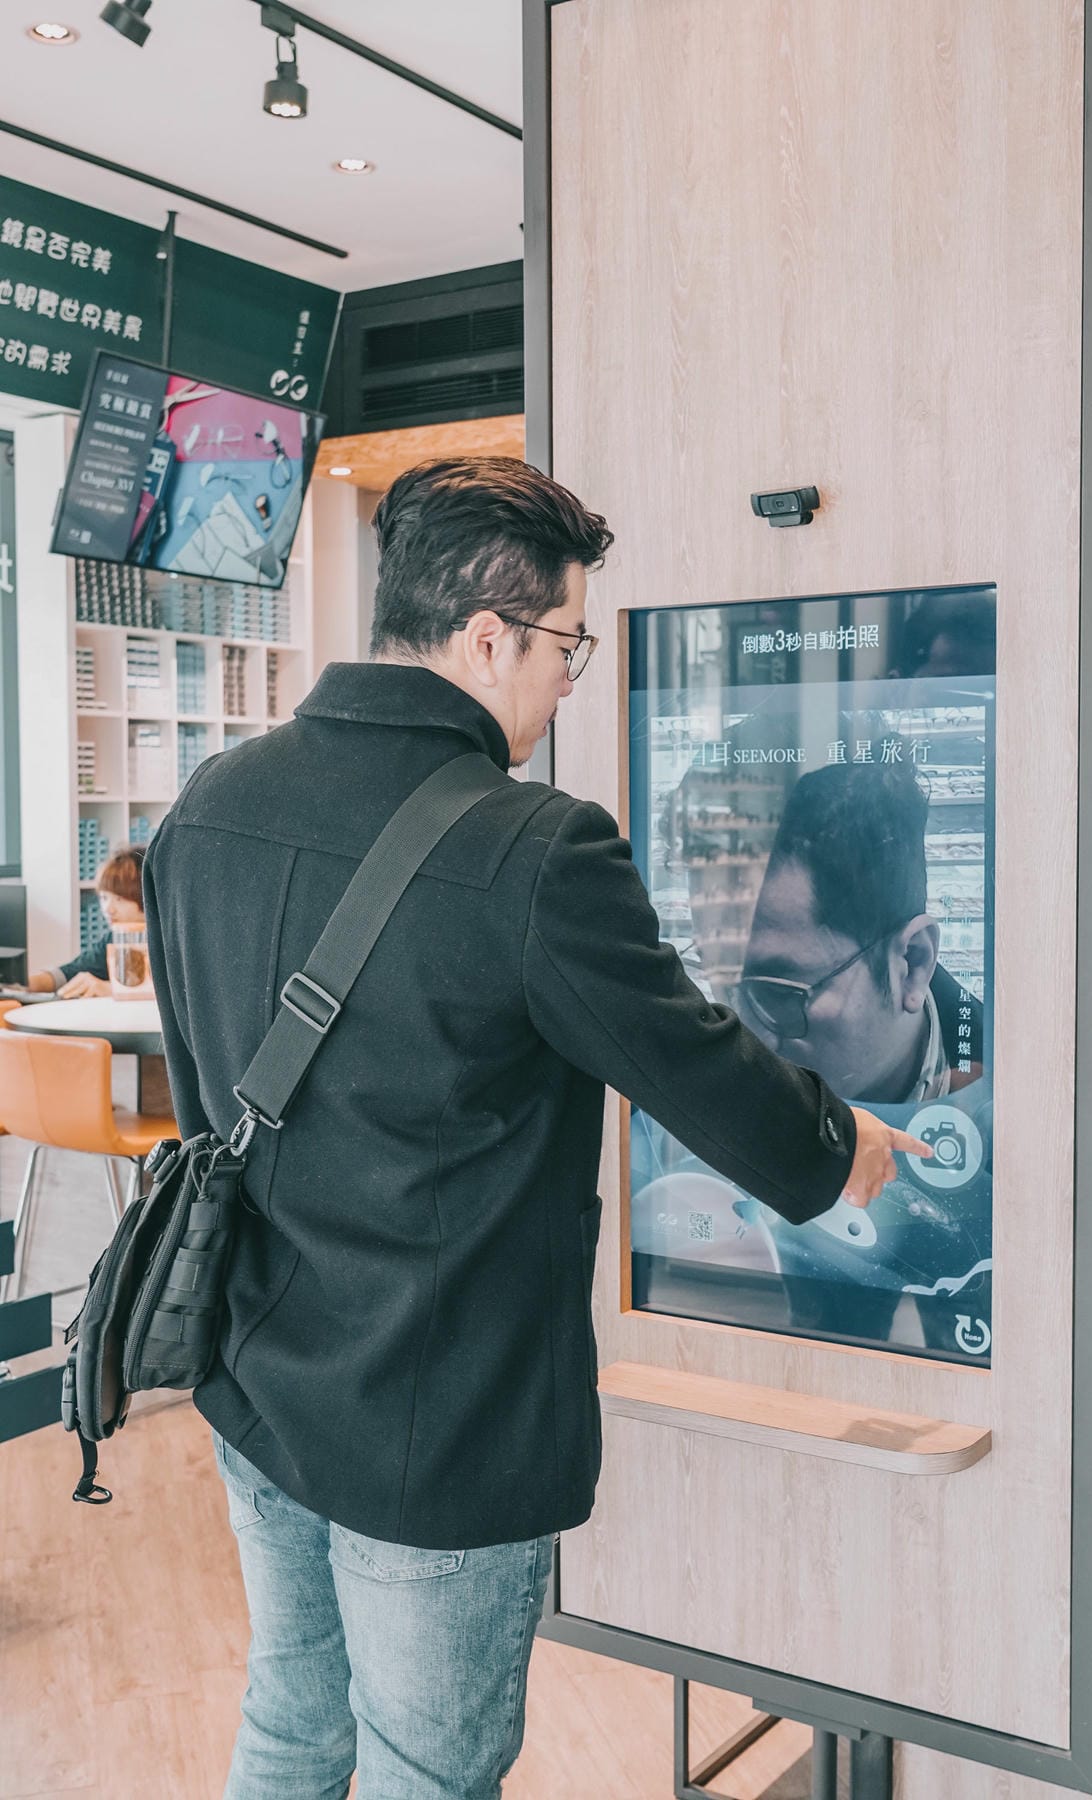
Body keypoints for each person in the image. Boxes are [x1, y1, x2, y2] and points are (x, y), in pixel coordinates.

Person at [143, 456, 927, 1800]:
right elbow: (693, 1061)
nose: (574, 675)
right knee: (424, 1769)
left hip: (255, 1372)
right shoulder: (532, 849)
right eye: (567, 640)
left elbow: (208, 1076)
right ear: (485, 636)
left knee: (290, 1717)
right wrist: (843, 1147)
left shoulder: (207, 806)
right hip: (434, 1423)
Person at [734, 761, 983, 1103]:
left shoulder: (1013, 1091)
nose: (743, 1038)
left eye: (780, 995)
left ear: (912, 963)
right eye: (717, 985)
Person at [13, 844, 146, 998]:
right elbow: (70, 972)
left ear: (145, 897)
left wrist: (110, 989)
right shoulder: (114, 937)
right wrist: (19, 985)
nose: (108, 909)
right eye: (104, 898)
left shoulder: (169, 937)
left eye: (119, 899)